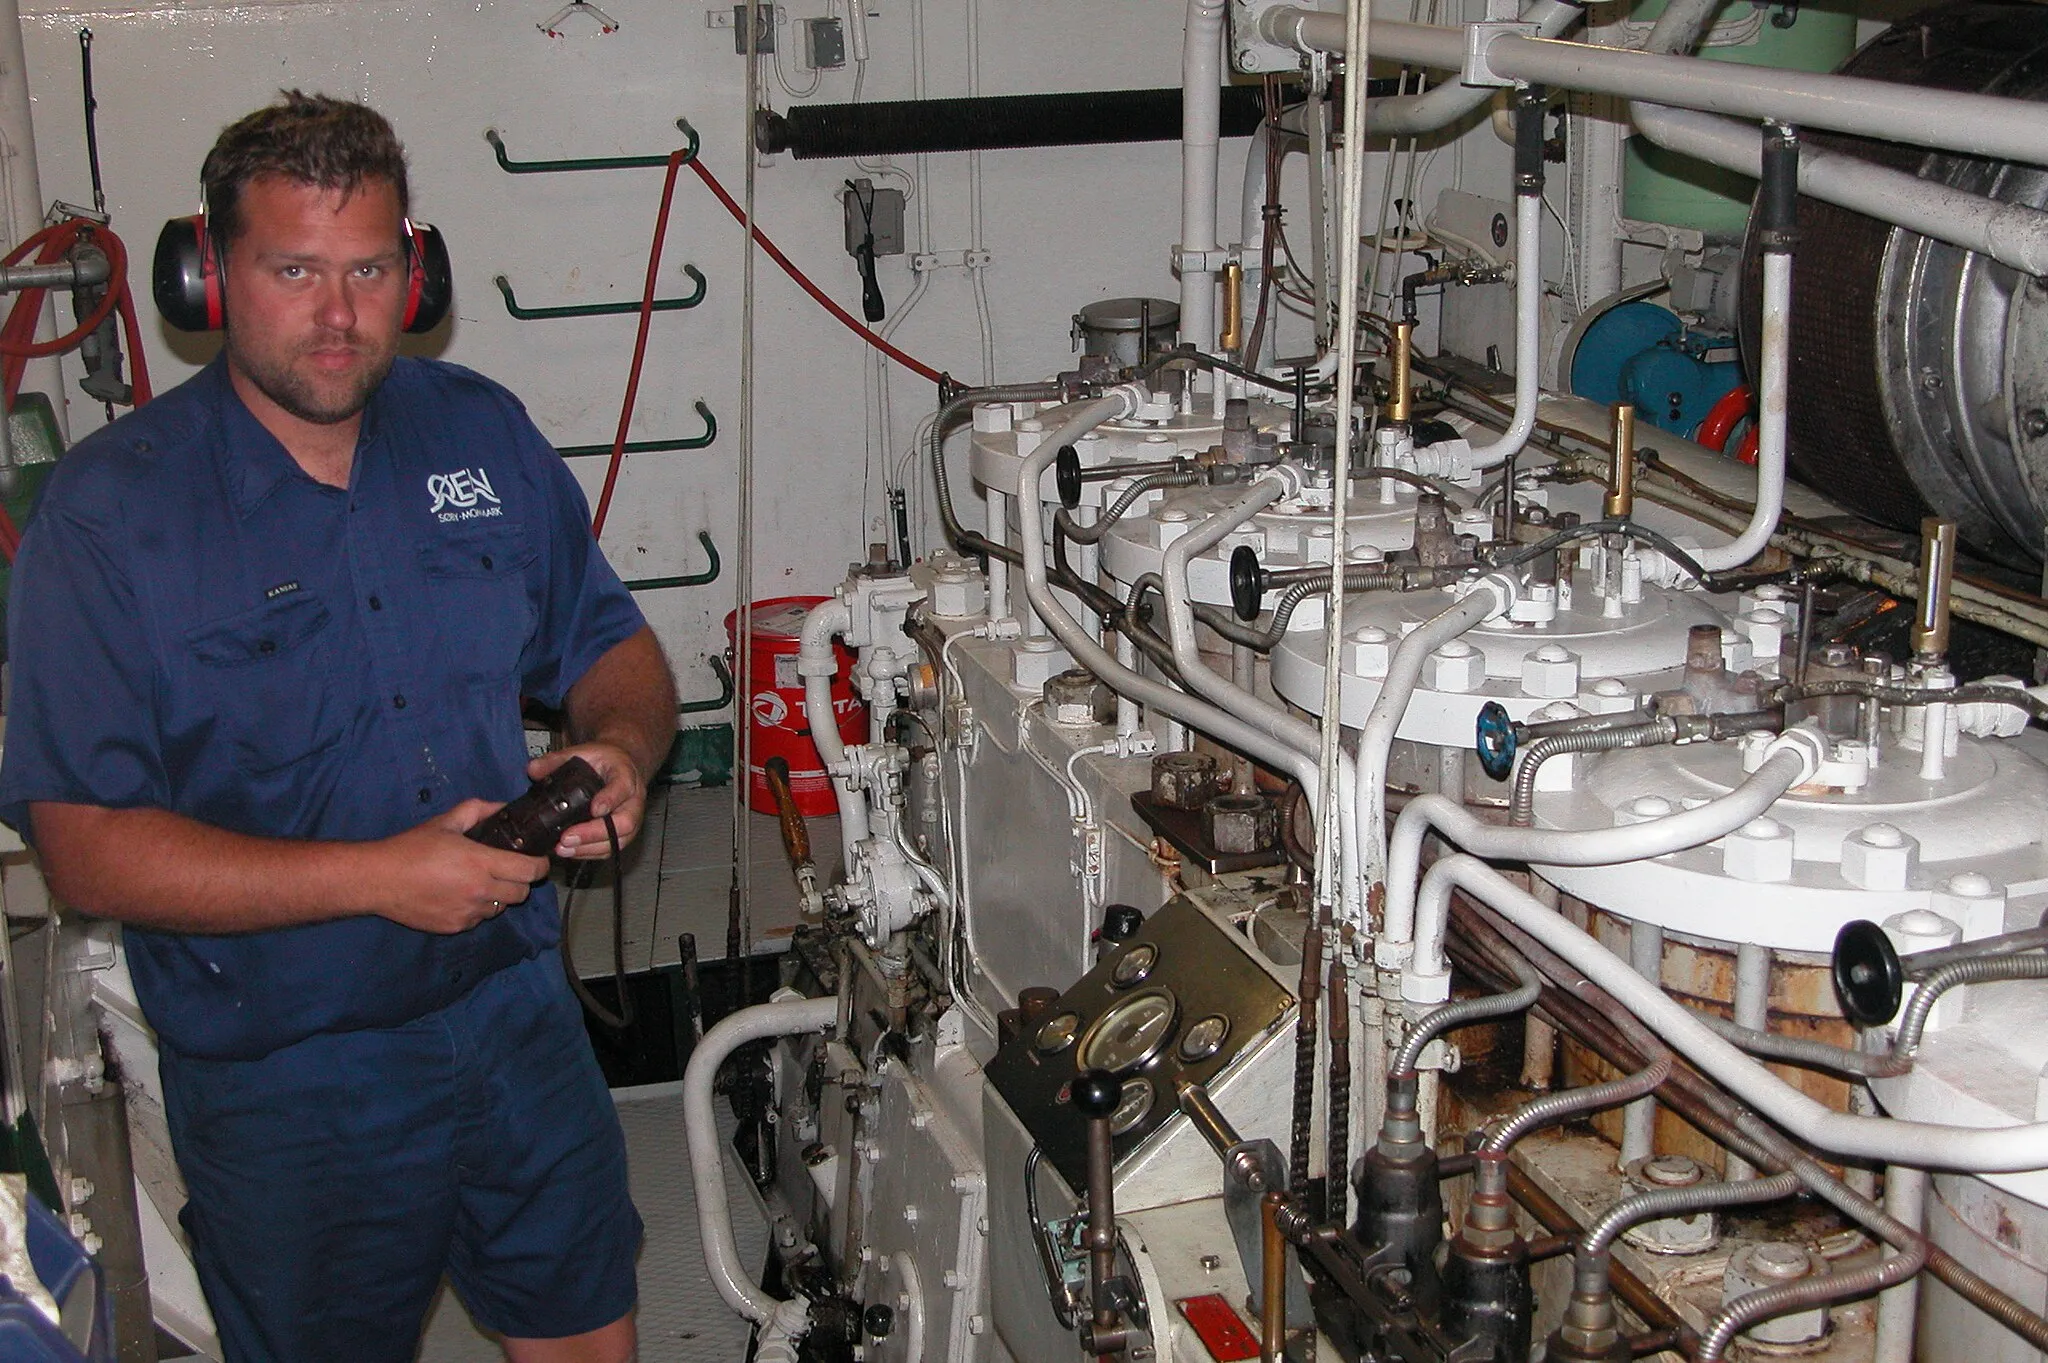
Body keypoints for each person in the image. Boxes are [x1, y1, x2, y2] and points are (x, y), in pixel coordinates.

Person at [0, 92, 676, 1362]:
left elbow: (611, 651)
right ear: (208, 275)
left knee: (588, 1329)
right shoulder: (108, 518)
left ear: (413, 271)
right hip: (287, 1072)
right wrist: (381, 878)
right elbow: (83, 847)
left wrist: (621, 753)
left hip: (516, 1014)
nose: (337, 314)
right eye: (293, 269)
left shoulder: (477, 427)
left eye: (368, 268)